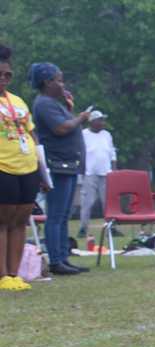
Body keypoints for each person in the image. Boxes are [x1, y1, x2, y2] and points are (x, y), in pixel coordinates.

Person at [30, 61, 89, 275]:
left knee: (63, 215)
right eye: (59, 80)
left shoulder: (54, 103)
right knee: (56, 215)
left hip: (68, 165)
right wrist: (80, 118)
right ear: (47, 82)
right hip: (58, 165)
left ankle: (63, 256)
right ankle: (56, 260)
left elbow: (66, 122)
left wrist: (69, 108)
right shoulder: (44, 103)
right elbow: (62, 128)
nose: (63, 84)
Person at [0, 44, 46, 291]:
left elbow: (33, 135)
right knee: (2, 221)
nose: (4, 79)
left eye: (8, 75)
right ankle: (2, 276)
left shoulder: (17, 101)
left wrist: (42, 170)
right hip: (3, 168)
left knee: (20, 221)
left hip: (27, 167)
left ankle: (14, 273)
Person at [77, 110, 116, 238]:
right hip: (90, 173)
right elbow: (80, 153)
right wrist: (81, 171)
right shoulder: (84, 134)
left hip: (106, 173)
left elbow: (112, 153)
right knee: (87, 202)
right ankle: (83, 228)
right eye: (100, 120)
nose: (102, 122)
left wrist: (114, 170)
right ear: (92, 122)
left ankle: (111, 227)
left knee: (108, 203)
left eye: (103, 120)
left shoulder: (107, 135)